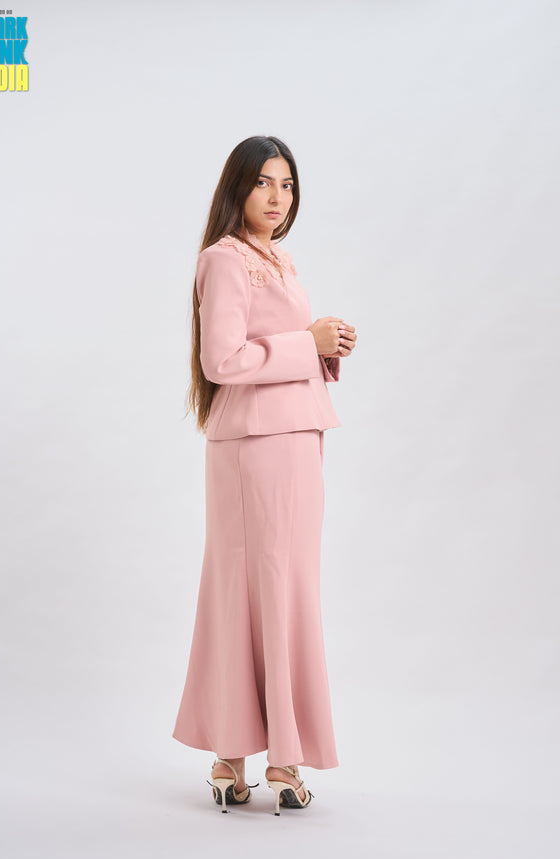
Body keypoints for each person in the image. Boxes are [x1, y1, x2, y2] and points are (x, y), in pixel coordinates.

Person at [172, 135, 356, 815]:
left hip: (292, 441)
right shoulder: (223, 261)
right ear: (237, 189)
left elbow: (271, 352)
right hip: (254, 447)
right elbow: (223, 360)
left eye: (287, 186)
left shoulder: (276, 258)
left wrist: (324, 345)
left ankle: (246, 757)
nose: (277, 199)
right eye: (264, 184)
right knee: (255, 589)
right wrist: (302, 343)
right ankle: (266, 760)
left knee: (282, 588)